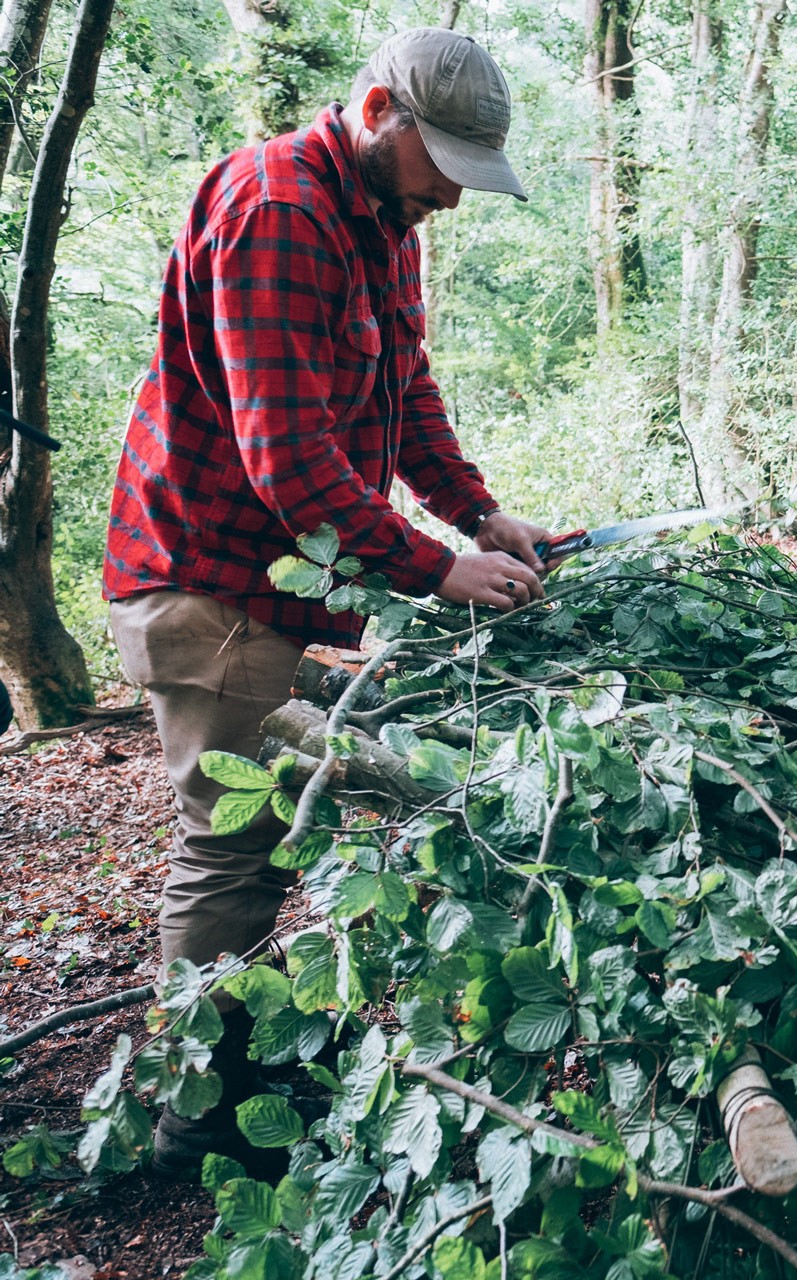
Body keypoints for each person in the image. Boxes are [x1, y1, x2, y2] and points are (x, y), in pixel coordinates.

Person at [101, 27, 548, 1179]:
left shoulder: (384, 224)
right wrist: (439, 569)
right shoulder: (280, 210)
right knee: (232, 846)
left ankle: (245, 1053)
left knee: (274, 834)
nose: (451, 195)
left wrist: (479, 515)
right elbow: (289, 460)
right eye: (439, 162)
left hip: (282, 581)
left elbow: (407, 388)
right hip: (206, 578)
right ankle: (195, 1113)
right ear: (374, 112)